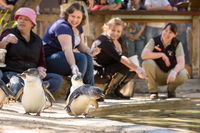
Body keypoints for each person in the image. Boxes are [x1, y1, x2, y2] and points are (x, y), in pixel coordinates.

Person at [0, 7, 63, 96]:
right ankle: (26, 96)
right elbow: (0, 51)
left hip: (32, 77)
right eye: (20, 18)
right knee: (17, 82)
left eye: (26, 19)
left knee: (57, 79)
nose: (22, 21)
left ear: (32, 24)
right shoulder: (9, 33)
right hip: (13, 73)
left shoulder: (37, 40)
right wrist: (5, 41)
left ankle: (34, 96)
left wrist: (41, 69)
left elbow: (42, 62)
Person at [43, 3, 98, 87]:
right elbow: (67, 49)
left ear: (82, 18)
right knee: (81, 58)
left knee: (88, 57)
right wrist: (73, 66)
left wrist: (90, 51)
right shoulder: (62, 26)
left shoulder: (78, 27)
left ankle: (89, 89)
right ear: (67, 15)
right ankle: (75, 91)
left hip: (62, 57)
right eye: (73, 16)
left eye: (78, 17)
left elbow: (81, 45)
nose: (75, 20)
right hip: (49, 60)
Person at [92, 18, 146, 99]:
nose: (115, 33)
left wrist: (135, 68)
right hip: (98, 73)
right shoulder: (103, 40)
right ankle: (108, 92)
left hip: (108, 69)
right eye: (113, 30)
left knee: (131, 67)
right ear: (107, 28)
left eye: (118, 31)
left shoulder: (117, 39)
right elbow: (120, 58)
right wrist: (138, 69)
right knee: (127, 65)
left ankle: (115, 90)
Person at [141, 23, 189, 100]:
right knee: (146, 63)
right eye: (166, 30)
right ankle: (153, 92)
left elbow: (181, 63)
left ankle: (171, 90)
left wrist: (174, 72)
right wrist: (162, 55)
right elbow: (144, 55)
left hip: (170, 76)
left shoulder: (177, 44)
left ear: (175, 35)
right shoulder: (154, 40)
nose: (167, 34)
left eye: (170, 32)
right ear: (162, 30)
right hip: (157, 75)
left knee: (184, 73)